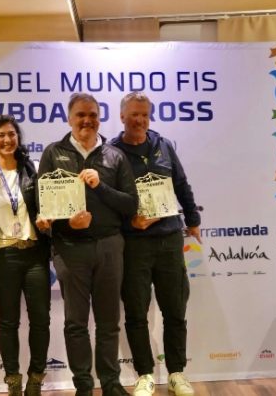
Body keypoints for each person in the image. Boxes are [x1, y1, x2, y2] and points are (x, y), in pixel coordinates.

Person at [36, 93, 139, 396]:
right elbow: (43, 203)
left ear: (99, 118)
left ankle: (110, 383)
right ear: (69, 119)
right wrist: (67, 223)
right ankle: (83, 385)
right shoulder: (54, 153)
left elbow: (131, 205)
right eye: (81, 115)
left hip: (109, 246)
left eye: (93, 114)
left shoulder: (114, 155)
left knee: (108, 322)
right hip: (69, 249)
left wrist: (100, 185)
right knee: (76, 323)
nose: (87, 120)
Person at [109, 92, 202, 396]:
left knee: (175, 310)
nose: (141, 120)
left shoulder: (164, 145)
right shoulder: (111, 152)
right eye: (135, 114)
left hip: (170, 240)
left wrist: (192, 220)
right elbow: (108, 202)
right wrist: (130, 223)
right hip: (134, 244)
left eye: (146, 114)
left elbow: (182, 183)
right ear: (122, 116)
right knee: (136, 313)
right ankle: (145, 374)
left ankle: (177, 373)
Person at [0, 115, 52, 396]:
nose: (7, 140)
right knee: (9, 322)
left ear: (18, 138)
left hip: (34, 254)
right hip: (2, 256)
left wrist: (47, 223)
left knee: (41, 320)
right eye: (0, 135)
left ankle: (36, 378)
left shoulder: (34, 174)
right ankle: (13, 381)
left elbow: (47, 211)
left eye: (12, 134)